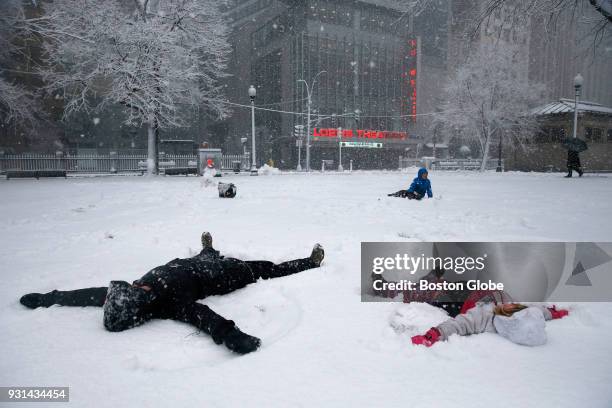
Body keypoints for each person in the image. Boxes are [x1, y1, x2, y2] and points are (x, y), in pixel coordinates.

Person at [19, 232, 325, 355]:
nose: (137, 285)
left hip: (189, 263)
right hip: (222, 277)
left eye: (131, 286)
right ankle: (309, 264)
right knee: (263, 268)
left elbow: (83, 295)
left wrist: (48, 298)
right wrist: (231, 336)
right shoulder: (169, 305)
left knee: (206, 254)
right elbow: (201, 315)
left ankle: (208, 247)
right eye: (138, 291)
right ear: (141, 305)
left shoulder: (122, 294)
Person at [411, 303, 569, 347]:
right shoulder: (518, 312)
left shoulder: (485, 318)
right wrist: (551, 313)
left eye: (513, 312)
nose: (514, 307)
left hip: (463, 300)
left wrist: (435, 334)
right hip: (485, 290)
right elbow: (535, 310)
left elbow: (459, 324)